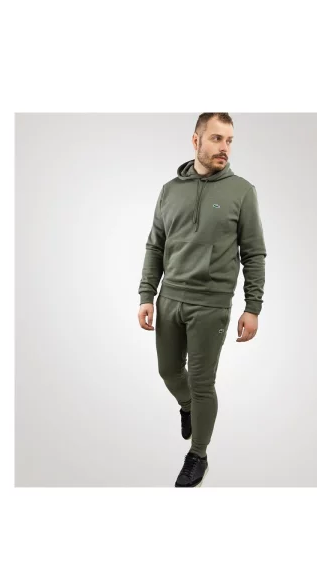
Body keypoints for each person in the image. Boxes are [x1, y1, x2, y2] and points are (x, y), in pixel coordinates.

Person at [137, 112, 267, 487]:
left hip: (211, 304)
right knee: (168, 371)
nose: (224, 148)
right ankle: (188, 407)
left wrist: (253, 307)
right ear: (196, 141)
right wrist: (147, 294)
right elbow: (155, 245)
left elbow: (254, 253)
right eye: (216, 139)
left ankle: (198, 454)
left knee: (201, 381)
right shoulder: (169, 190)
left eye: (229, 141)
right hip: (169, 299)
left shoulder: (242, 191)